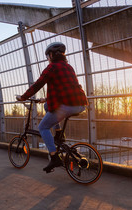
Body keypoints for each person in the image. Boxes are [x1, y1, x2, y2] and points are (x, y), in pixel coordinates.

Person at [16, 42, 88, 173]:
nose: (47, 59)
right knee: (46, 105)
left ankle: (54, 157)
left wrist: (23, 97)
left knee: (43, 127)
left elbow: (38, 84)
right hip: (79, 105)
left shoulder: (52, 67)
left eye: (47, 56)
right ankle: (59, 133)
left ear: (51, 55)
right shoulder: (69, 67)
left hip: (66, 107)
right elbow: (65, 90)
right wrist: (47, 99)